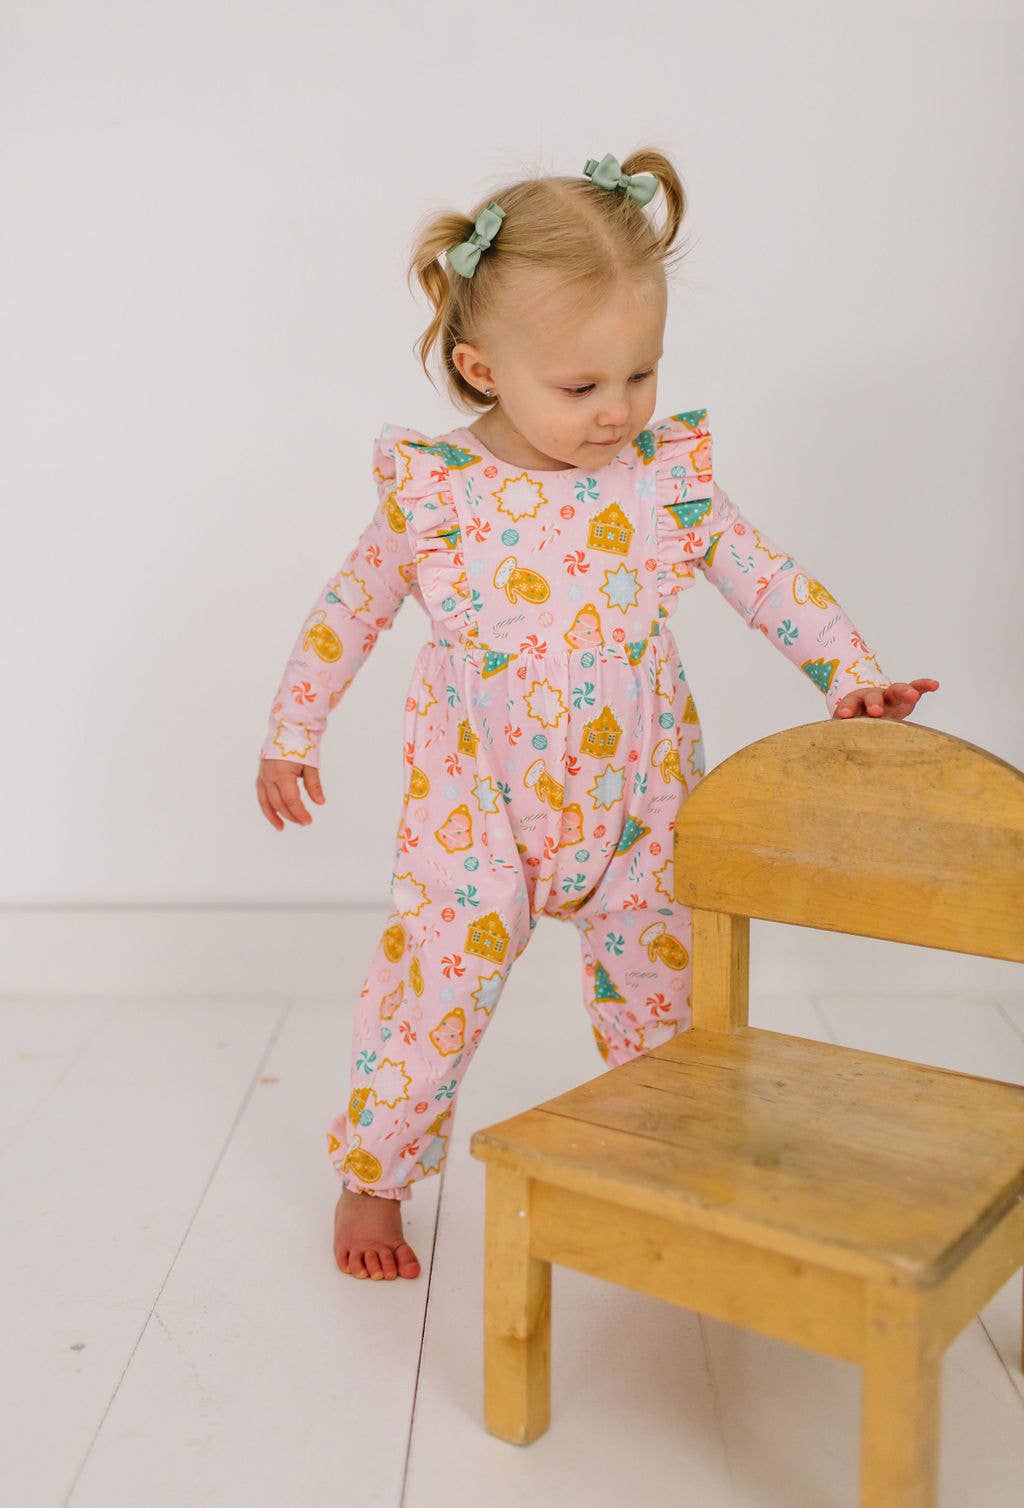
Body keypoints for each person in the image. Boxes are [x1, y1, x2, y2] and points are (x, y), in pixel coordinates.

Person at [255, 149, 939, 1283]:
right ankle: (374, 1177)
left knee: (671, 1008)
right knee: (434, 990)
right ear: (481, 368)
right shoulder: (438, 495)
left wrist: (848, 673)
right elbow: (347, 613)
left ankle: (671, 1169)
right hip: (479, 810)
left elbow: (764, 577)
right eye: (580, 388)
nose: (617, 410)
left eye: (641, 374)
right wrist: (293, 734)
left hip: (642, 805)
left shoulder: (660, 478)